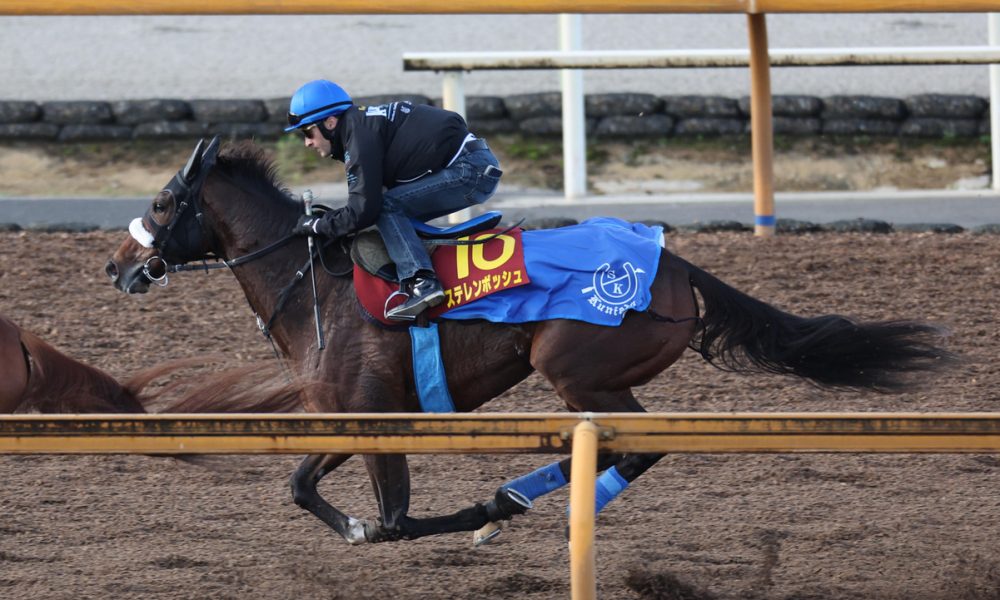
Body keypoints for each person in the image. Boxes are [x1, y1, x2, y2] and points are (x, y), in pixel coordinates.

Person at [286, 79, 503, 321]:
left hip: (469, 170)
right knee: (384, 209)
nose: (307, 142)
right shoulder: (359, 126)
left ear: (329, 122)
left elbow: (364, 210)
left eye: (308, 132)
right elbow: (362, 206)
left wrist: (318, 225)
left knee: (386, 207)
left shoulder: (358, 136)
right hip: (472, 163)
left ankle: (422, 283)